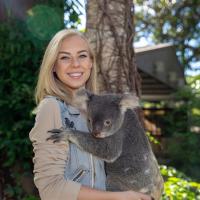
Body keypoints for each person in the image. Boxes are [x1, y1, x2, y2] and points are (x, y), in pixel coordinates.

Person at [29, 29, 152, 200]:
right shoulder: (52, 108)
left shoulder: (97, 109)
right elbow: (50, 189)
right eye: (65, 57)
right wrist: (120, 197)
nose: (75, 64)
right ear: (53, 66)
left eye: (82, 56)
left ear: (91, 62)